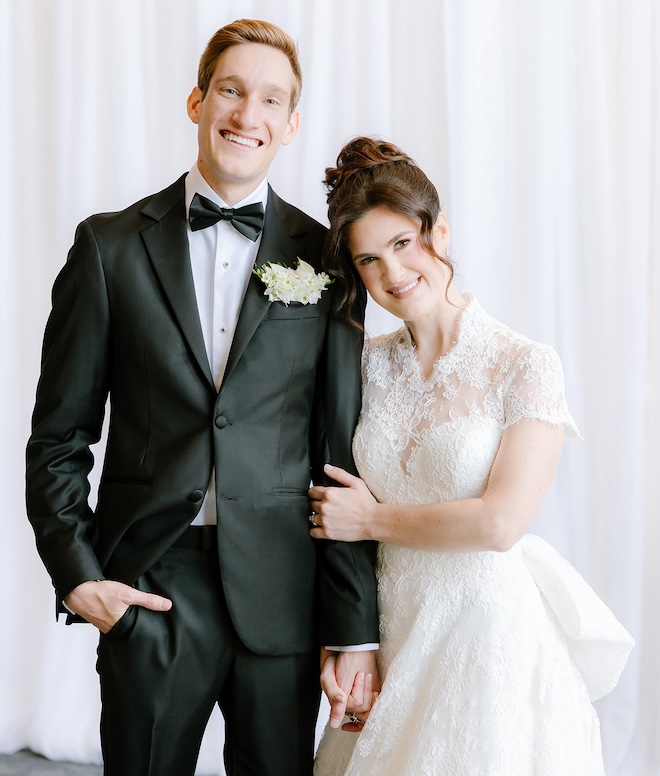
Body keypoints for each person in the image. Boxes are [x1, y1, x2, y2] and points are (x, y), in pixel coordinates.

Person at [25, 21, 379, 776]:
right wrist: (80, 575)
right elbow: (59, 437)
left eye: (270, 100)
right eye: (230, 89)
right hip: (151, 587)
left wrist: (353, 629)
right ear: (196, 100)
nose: (247, 114)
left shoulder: (327, 259)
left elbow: (339, 455)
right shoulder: (107, 248)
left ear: (290, 125)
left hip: (283, 596)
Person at [309, 136, 635, 775]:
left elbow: (499, 523)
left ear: (441, 233)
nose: (394, 274)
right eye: (369, 259)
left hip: (484, 635)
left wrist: (372, 520)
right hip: (390, 629)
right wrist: (345, 638)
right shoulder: (362, 367)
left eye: (404, 244)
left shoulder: (525, 364)